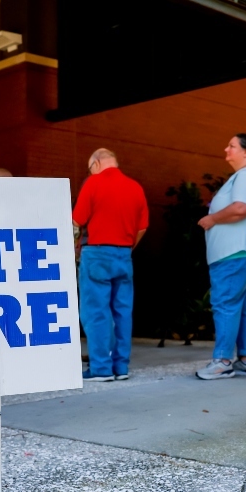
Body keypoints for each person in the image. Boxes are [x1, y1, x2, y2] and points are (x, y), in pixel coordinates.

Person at [195, 134, 246, 380]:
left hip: (235, 253)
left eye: (232, 146)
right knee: (243, 306)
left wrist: (212, 218)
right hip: (244, 252)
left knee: (225, 303)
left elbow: (242, 207)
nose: (226, 149)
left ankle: (222, 361)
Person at [73, 149, 149, 382]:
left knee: (95, 311)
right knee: (122, 311)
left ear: (95, 164)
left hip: (96, 253)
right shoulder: (135, 187)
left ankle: (101, 368)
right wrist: (125, 249)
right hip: (124, 254)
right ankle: (121, 367)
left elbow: (76, 221)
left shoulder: (93, 183)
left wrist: (72, 248)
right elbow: (142, 227)